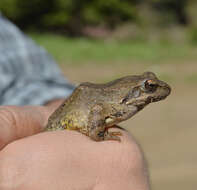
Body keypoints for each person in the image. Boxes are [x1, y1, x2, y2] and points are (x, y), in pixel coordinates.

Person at [0, 14, 150, 190]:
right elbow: (96, 110)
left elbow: (30, 80)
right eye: (149, 87)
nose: (154, 90)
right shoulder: (115, 106)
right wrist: (100, 136)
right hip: (64, 122)